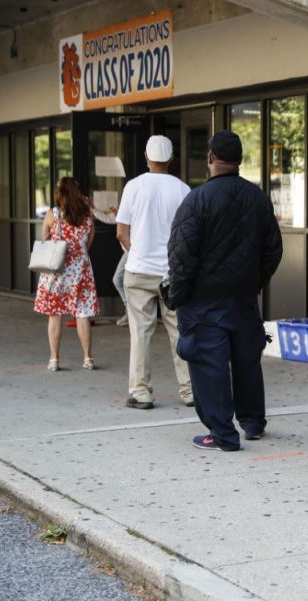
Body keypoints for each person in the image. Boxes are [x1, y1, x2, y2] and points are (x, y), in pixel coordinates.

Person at [167, 131, 283, 451]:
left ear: (210, 158)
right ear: (240, 160)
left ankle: (222, 434)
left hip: (203, 301)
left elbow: (181, 256)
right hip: (244, 297)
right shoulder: (257, 198)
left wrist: (178, 295)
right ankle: (253, 422)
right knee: (246, 360)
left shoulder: (197, 200)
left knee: (209, 364)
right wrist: (256, 281)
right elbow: (273, 248)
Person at [116, 135, 193, 410]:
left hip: (138, 271)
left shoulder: (133, 187)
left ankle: (141, 392)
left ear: (146, 157)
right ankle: (190, 391)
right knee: (179, 331)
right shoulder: (183, 190)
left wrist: (135, 252)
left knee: (141, 333)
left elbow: (121, 232)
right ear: (171, 159)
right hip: (172, 273)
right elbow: (189, 234)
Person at [33, 177, 99, 371]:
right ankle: (87, 358)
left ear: (59, 194)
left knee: (55, 315)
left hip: (57, 270)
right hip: (81, 270)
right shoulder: (87, 215)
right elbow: (88, 241)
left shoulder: (53, 214)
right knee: (82, 313)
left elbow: (45, 237)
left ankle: (54, 359)